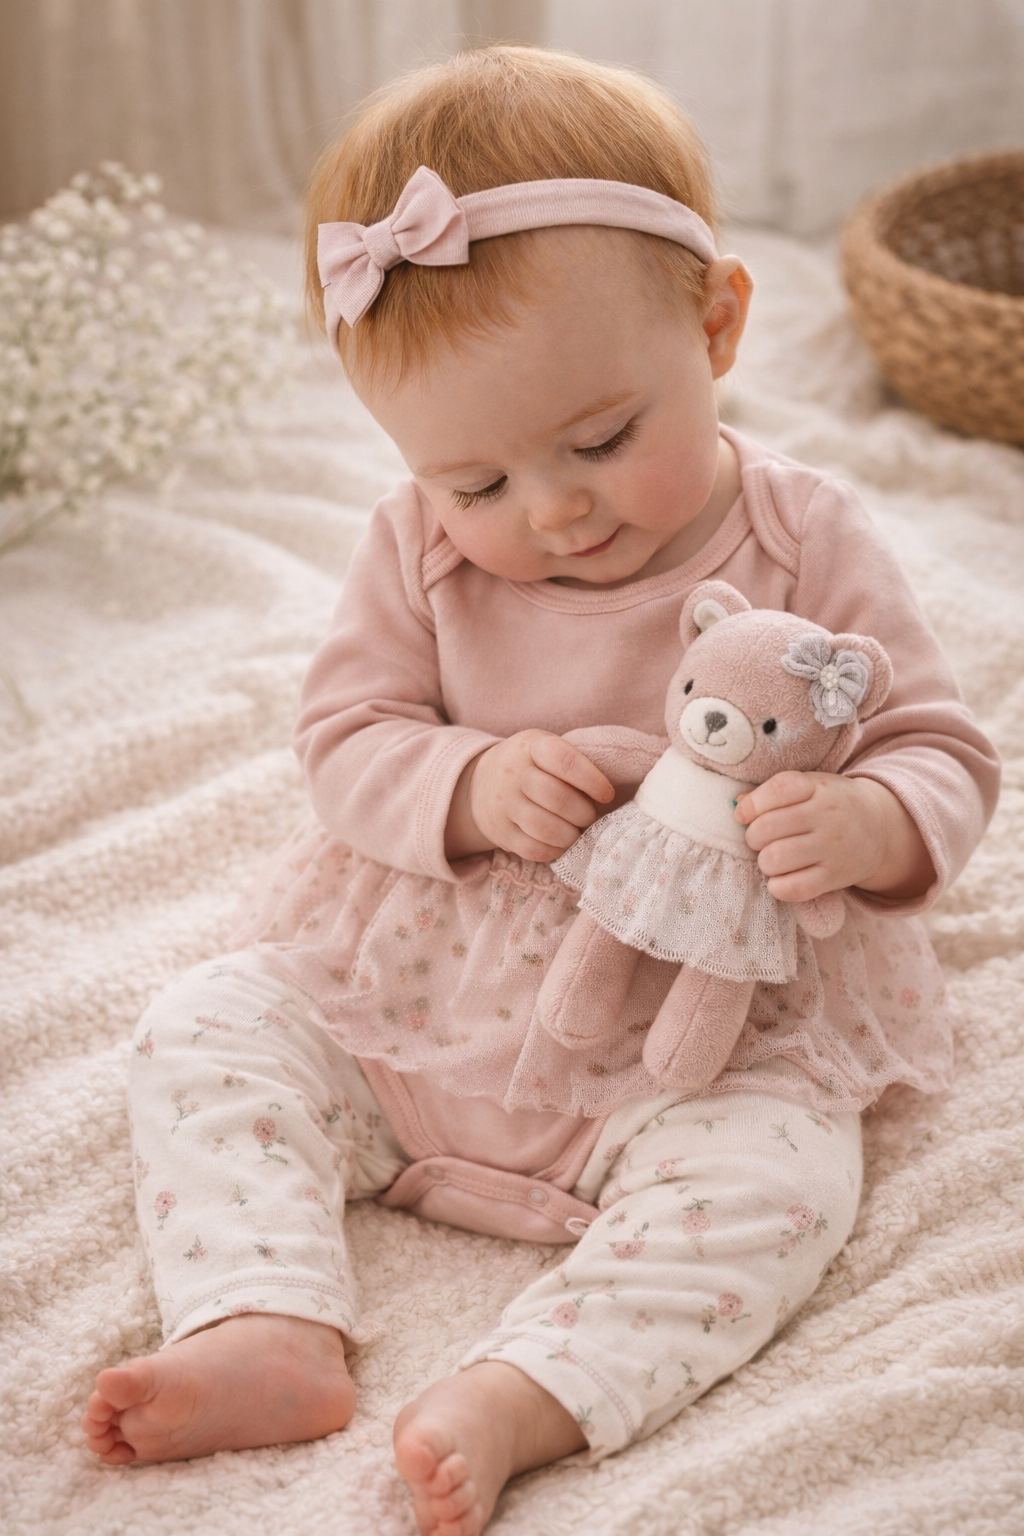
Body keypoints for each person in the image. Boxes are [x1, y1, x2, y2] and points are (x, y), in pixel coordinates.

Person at [81, 46, 999, 1536]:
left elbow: (940, 748)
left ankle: (533, 1388)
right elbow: (345, 733)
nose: (553, 510)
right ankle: (262, 1318)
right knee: (210, 1026)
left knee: (782, 1182)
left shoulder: (802, 534)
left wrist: (869, 825)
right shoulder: (414, 547)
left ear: (717, 325)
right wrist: (465, 780)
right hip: (422, 997)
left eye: (600, 441)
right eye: (478, 485)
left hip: (697, 1033)